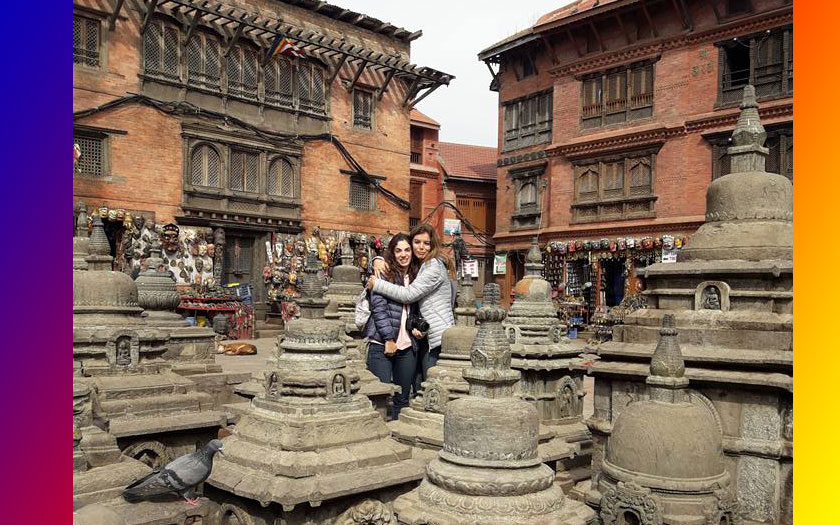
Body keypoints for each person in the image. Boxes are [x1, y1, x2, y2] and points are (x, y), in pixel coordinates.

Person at [368, 223, 455, 390]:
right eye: (417, 242)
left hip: (436, 339)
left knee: (430, 389)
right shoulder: (419, 267)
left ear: (432, 245)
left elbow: (408, 295)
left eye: (426, 243)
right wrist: (377, 260)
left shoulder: (433, 266)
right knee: (416, 390)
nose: (421, 247)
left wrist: (376, 284)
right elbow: (397, 255)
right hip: (422, 336)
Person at [364, 234, 419, 419]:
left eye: (407, 250)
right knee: (379, 397)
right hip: (381, 343)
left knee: (403, 398)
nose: (403, 254)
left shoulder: (417, 276)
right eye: (398, 250)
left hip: (408, 345)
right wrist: (388, 338)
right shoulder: (384, 273)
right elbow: (378, 308)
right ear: (392, 253)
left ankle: (398, 438)